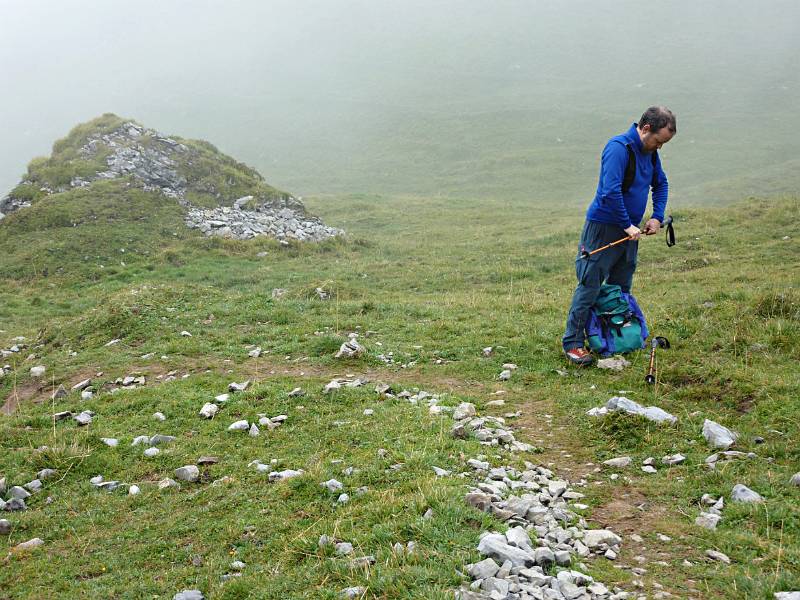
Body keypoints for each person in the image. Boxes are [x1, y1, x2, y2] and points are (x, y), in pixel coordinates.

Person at [562, 106, 676, 366]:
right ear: (646, 129)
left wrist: (657, 217)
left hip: (630, 230)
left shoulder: (650, 152)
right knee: (590, 284)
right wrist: (627, 224)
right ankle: (574, 344)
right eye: (659, 141)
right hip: (603, 227)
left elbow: (661, 183)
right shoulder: (618, 148)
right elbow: (609, 191)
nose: (659, 147)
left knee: (620, 286)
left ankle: (614, 335)